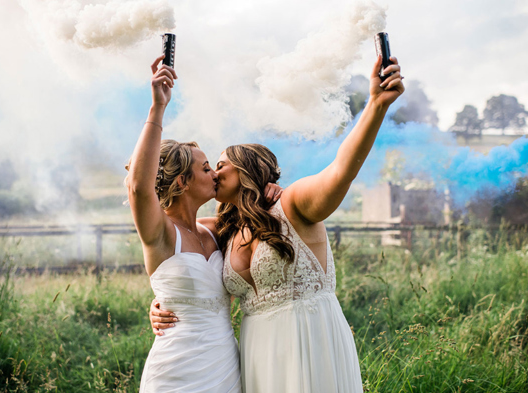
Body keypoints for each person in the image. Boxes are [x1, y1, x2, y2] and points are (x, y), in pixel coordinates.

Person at [150, 55, 404, 392]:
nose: (213, 173)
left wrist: (375, 106)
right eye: (210, 167)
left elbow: (341, 170)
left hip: (310, 340)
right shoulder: (223, 231)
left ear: (246, 171)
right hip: (258, 353)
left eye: (221, 164)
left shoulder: (293, 204)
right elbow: (180, 258)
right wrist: (163, 303)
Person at [126, 54, 242, 392]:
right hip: (177, 371)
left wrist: (269, 189)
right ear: (182, 183)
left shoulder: (217, 229)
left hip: (224, 365)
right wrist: (157, 108)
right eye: (206, 168)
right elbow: (138, 187)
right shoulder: (160, 234)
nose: (215, 173)